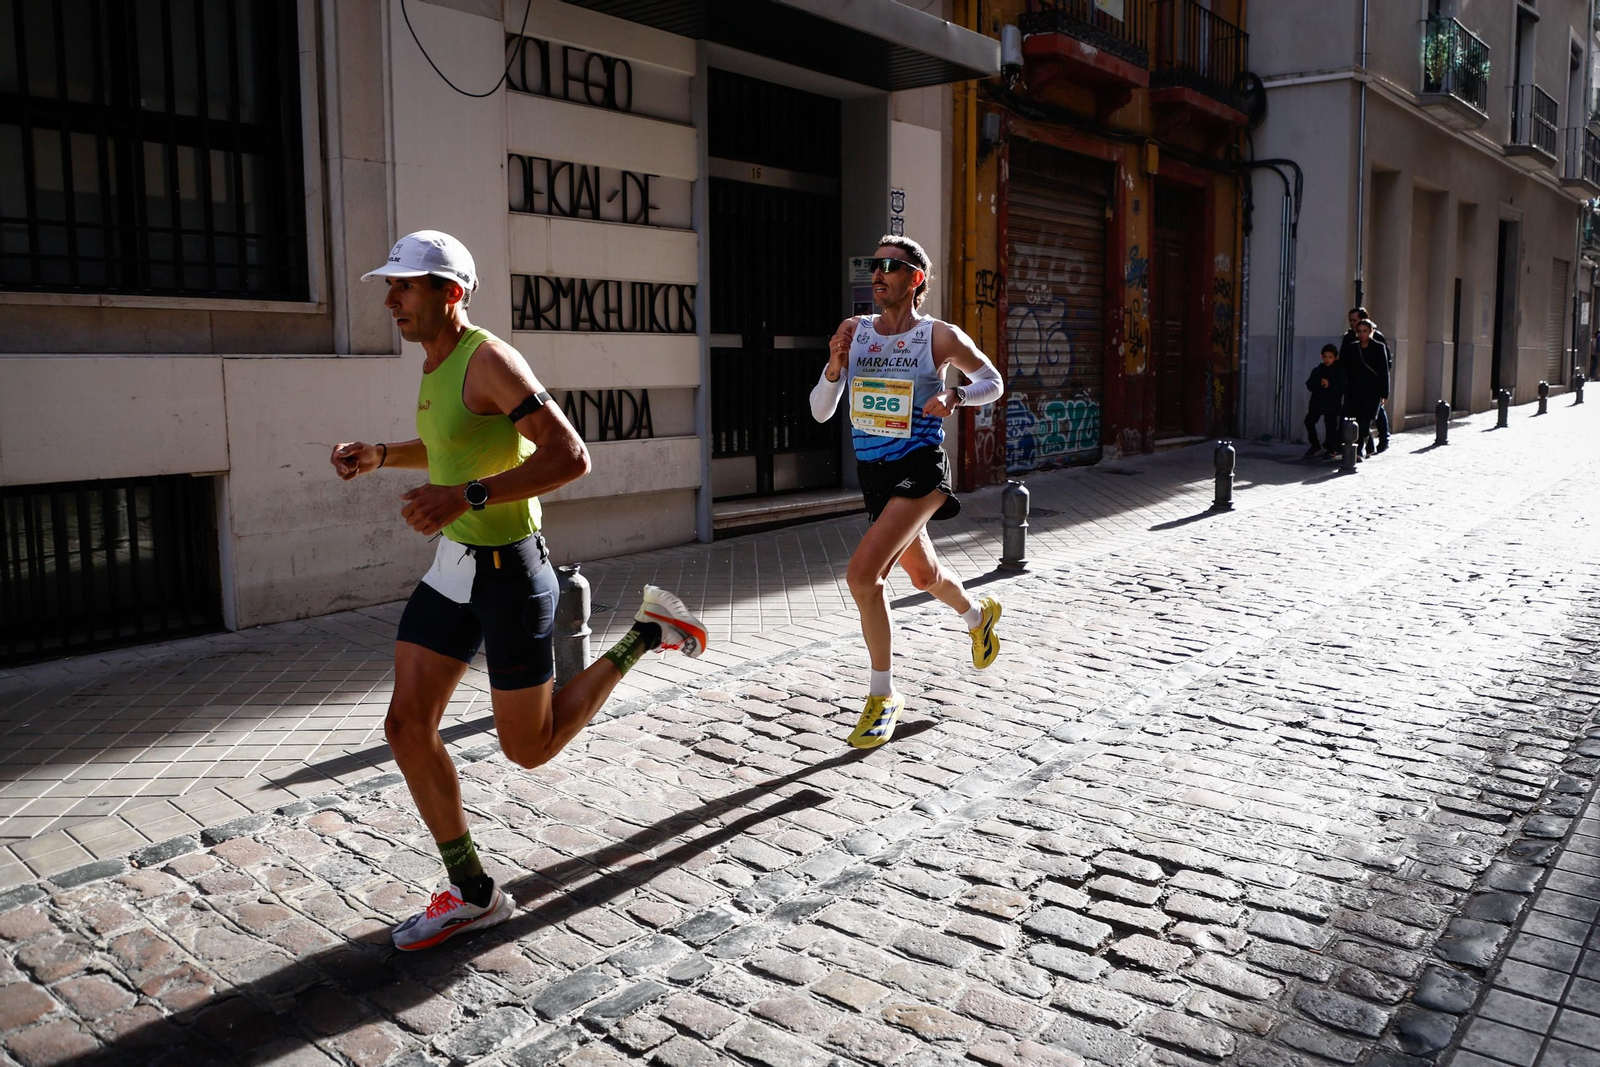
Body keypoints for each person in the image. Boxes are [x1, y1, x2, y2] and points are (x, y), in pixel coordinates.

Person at [330, 230, 709, 951]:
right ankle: (472, 891)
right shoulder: (437, 362)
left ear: (451, 292)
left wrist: (464, 495)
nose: (390, 300)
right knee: (407, 727)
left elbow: (572, 455)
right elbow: (454, 443)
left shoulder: (489, 358)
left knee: (527, 748)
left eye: (404, 286)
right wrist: (382, 454)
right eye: (391, 285)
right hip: (454, 567)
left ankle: (647, 631)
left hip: (511, 572)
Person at [809, 235, 1006, 749]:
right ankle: (978, 616)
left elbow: (993, 380)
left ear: (915, 279)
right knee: (924, 575)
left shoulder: (937, 337)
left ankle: (882, 694)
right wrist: (833, 368)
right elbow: (820, 410)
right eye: (873, 266)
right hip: (875, 475)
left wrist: (955, 394)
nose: (878, 275)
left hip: (920, 469)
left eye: (890, 267)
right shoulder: (856, 333)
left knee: (862, 576)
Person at [1342, 307, 1391, 454]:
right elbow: (1345, 364)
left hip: (1372, 389)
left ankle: (1376, 443)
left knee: (1368, 419)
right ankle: (1365, 447)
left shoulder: (1378, 343)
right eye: (1351, 321)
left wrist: (1384, 392)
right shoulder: (1351, 342)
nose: (1353, 324)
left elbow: (1384, 368)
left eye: (1355, 320)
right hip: (1356, 388)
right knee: (1358, 419)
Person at [1303, 344, 1346, 459]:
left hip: (1332, 403)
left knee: (1330, 427)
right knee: (1309, 421)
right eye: (1325, 357)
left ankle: (1331, 449)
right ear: (1322, 357)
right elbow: (1309, 384)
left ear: (1335, 358)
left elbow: (1342, 387)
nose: (1327, 360)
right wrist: (1319, 384)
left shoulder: (1338, 371)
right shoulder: (1318, 370)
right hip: (1317, 402)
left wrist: (1329, 385)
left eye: (1330, 357)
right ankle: (1315, 444)